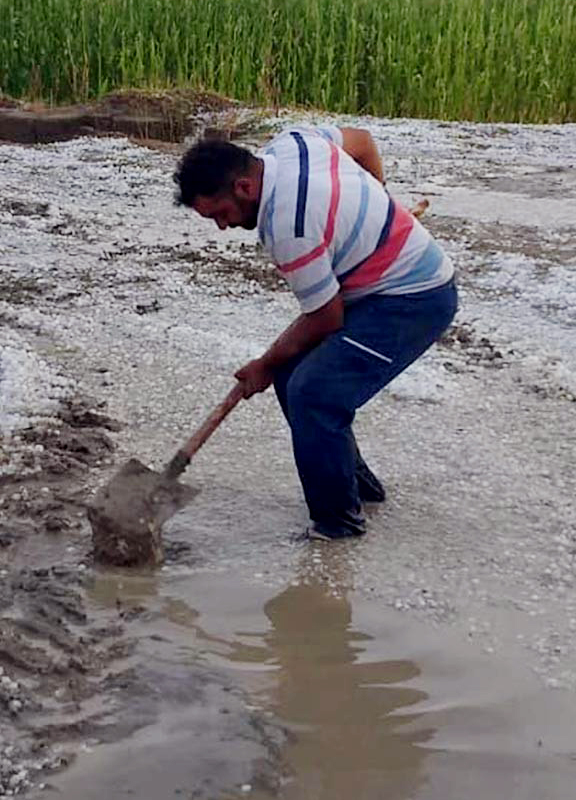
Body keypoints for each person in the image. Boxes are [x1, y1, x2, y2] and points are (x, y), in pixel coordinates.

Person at [173, 125, 457, 540]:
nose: (222, 226)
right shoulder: (293, 142)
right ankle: (358, 489)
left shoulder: (290, 225)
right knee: (293, 375)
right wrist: (376, 197)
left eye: (221, 213)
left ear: (244, 187)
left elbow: (326, 317)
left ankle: (337, 523)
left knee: (314, 392)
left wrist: (263, 365)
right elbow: (360, 140)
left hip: (415, 298)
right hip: (374, 285)